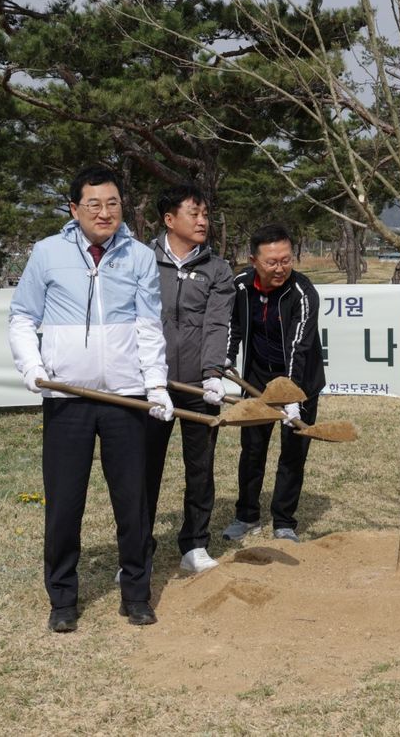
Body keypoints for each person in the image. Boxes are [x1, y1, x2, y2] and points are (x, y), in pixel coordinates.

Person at [8, 165, 175, 633]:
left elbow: (148, 327)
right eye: (94, 204)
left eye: (113, 203)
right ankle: (62, 598)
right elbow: (22, 317)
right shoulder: (47, 254)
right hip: (68, 397)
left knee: (134, 502)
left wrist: (156, 383)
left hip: (126, 397)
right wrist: (33, 367)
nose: (105, 212)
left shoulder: (139, 256)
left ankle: (136, 594)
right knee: (65, 503)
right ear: (74, 208)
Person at [148, 184, 234, 576]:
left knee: (200, 467)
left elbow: (218, 324)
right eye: (194, 214)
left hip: (200, 388)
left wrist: (213, 373)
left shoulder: (216, 269)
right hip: (152, 385)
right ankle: (137, 549)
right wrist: (149, 379)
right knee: (142, 468)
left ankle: (195, 544)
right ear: (169, 219)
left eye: (205, 215)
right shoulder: (143, 262)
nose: (203, 221)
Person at [223, 224, 325, 544]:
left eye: (286, 260)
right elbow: (232, 325)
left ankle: (284, 521)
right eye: (271, 262)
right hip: (257, 377)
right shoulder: (240, 285)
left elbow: (299, 346)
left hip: (300, 379)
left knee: (293, 450)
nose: (280, 268)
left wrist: (291, 393)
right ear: (253, 260)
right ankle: (247, 516)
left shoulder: (303, 293)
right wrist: (224, 359)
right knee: (252, 448)